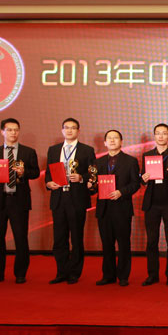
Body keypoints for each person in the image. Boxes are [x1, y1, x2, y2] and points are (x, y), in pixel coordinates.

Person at [0, 118, 40, 284]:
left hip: (19, 200)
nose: (13, 133)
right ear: (2, 132)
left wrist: (23, 173)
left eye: (16, 130)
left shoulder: (28, 152)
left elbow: (36, 173)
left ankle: (20, 273)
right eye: (9, 130)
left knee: (20, 238)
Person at [44, 118, 95, 284]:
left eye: (73, 128)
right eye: (67, 128)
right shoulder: (53, 150)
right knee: (59, 237)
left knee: (76, 238)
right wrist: (48, 183)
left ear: (78, 131)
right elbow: (48, 173)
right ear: (62, 130)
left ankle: (74, 273)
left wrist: (81, 178)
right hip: (59, 198)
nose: (70, 130)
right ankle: (61, 271)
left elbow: (93, 173)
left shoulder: (87, 150)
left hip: (77, 198)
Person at [91, 130, 140, 287]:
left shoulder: (130, 161)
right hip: (104, 208)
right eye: (109, 138)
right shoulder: (98, 162)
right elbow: (94, 186)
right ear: (105, 143)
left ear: (121, 141)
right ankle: (108, 275)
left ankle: (123, 276)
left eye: (116, 138)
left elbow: (135, 184)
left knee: (123, 243)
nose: (112, 140)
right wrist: (91, 186)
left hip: (122, 207)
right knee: (107, 244)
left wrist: (121, 192)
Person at [140, 123, 168, 286]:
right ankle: (152, 275)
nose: (161, 136)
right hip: (151, 203)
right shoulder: (147, 155)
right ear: (154, 136)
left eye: (164, 133)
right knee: (152, 241)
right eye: (158, 133)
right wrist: (143, 178)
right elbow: (142, 178)